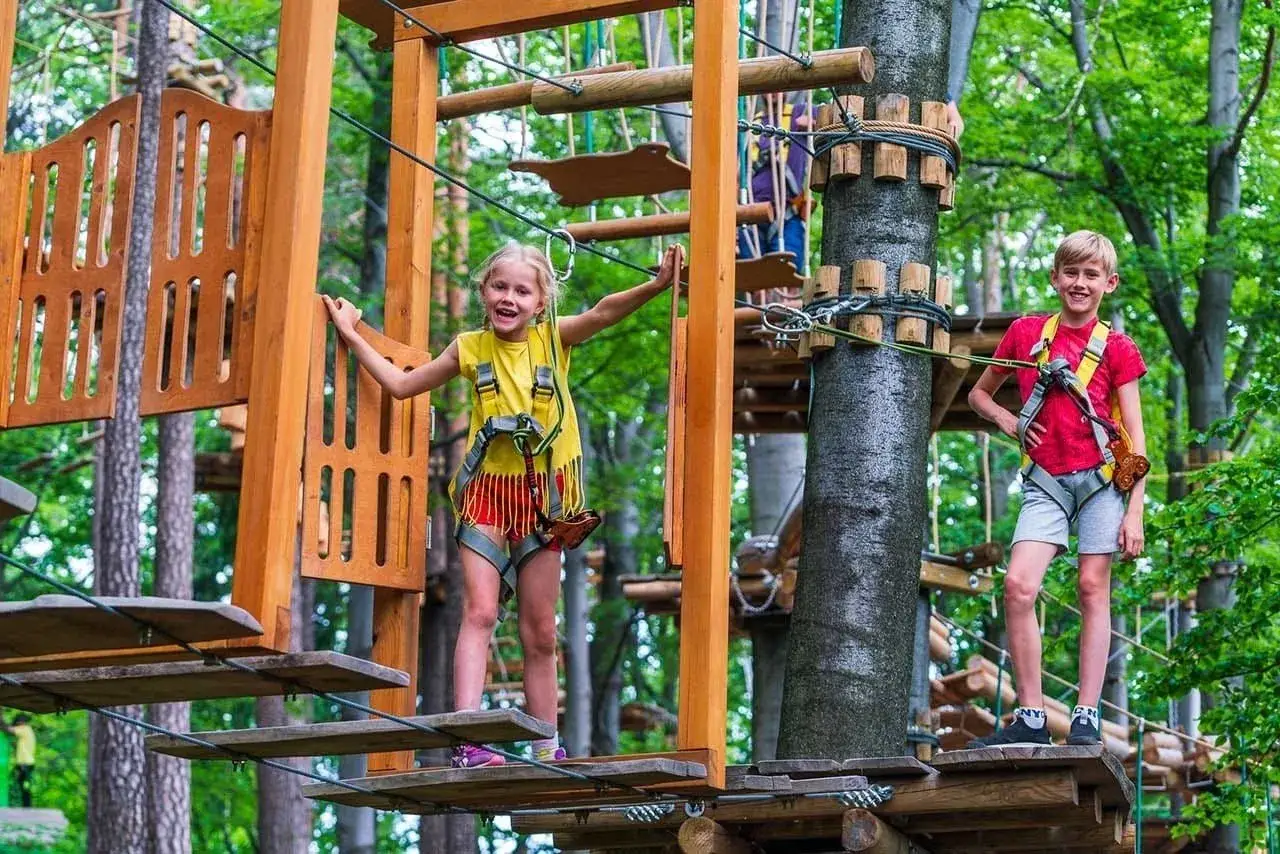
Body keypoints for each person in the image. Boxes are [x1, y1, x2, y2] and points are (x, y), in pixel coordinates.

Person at [324, 241, 683, 767]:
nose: (508, 298)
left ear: (541, 302)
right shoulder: (469, 349)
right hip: (487, 498)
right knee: (481, 611)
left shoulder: (552, 339)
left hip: (543, 503)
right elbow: (402, 386)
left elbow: (604, 310)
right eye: (499, 287)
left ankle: (546, 747)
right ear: (484, 292)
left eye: (521, 290)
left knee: (540, 630)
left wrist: (655, 285)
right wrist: (352, 333)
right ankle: (468, 743)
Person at [965, 230, 1148, 747]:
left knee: (1093, 586)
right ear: (1055, 277)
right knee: (1019, 586)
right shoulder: (1025, 335)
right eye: (1071, 273)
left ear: (1108, 284)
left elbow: (1134, 436)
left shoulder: (1117, 348)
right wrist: (1009, 421)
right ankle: (1031, 714)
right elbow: (980, 395)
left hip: (1102, 481)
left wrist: (1134, 512)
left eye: (1091, 275)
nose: (1080, 283)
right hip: (1045, 480)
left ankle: (1086, 715)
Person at [737, 92, 813, 271]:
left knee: (787, 273)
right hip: (752, 214)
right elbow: (735, 173)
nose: (774, 93)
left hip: (787, 213)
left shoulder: (800, 114)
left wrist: (816, 124)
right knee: (753, 280)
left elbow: (836, 122)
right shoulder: (750, 124)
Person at [6, 714, 34, 807]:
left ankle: (26, 807)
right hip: (24, 764)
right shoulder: (27, 731)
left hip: (25, 764)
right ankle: (25, 806)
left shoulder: (25, 729)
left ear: (20, 723)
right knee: (21, 785)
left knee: (24, 787)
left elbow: (8, 730)